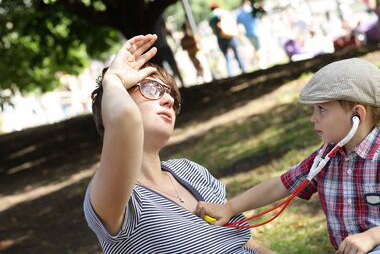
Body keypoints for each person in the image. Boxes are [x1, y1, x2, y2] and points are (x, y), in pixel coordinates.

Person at [196, 58, 380, 254]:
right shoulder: (324, 159)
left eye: (322, 110)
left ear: (357, 114)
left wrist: (370, 238)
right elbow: (281, 185)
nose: (313, 118)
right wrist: (230, 207)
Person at [83, 34, 272, 253]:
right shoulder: (120, 201)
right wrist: (113, 79)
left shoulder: (190, 171)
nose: (169, 100)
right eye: (152, 89)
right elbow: (125, 118)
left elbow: (243, 241)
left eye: (171, 94)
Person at [209, 2, 246, 77]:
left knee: (227, 57)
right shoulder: (222, 12)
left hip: (220, 39)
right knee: (237, 54)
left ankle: (231, 74)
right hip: (229, 36)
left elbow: (212, 31)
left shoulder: (210, 17)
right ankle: (243, 69)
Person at [237, 0, 261, 66]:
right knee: (258, 48)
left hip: (248, 34)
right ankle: (259, 62)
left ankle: (257, 61)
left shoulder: (239, 14)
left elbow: (238, 25)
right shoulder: (250, 10)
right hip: (255, 32)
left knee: (255, 48)